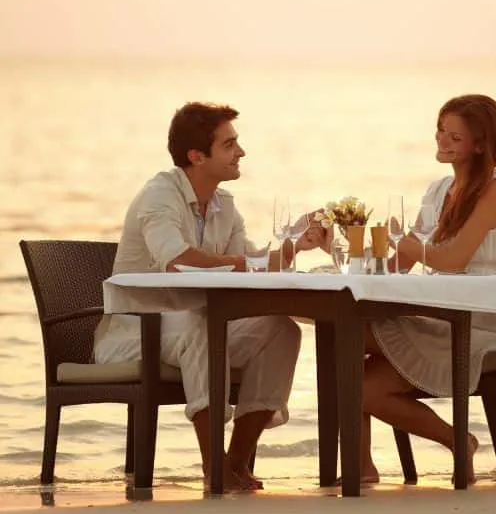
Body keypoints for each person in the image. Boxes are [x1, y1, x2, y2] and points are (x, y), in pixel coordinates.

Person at [94, 102, 330, 491]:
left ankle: (235, 462)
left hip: (194, 326)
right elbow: (177, 260)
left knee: (281, 331)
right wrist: (245, 262)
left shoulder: (225, 205)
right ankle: (213, 467)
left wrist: (295, 246)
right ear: (196, 156)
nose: (241, 152)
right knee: (203, 328)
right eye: (230, 144)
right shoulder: (159, 195)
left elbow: (248, 264)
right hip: (135, 333)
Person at [360, 94, 496, 485]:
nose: (442, 142)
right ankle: (369, 464)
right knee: (356, 374)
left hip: (475, 315)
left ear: (480, 143)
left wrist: (414, 248)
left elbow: (452, 259)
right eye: (440, 132)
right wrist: (354, 257)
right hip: (436, 308)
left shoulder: (494, 190)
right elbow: (404, 262)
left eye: (454, 137)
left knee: (355, 349)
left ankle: (456, 444)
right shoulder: (437, 190)